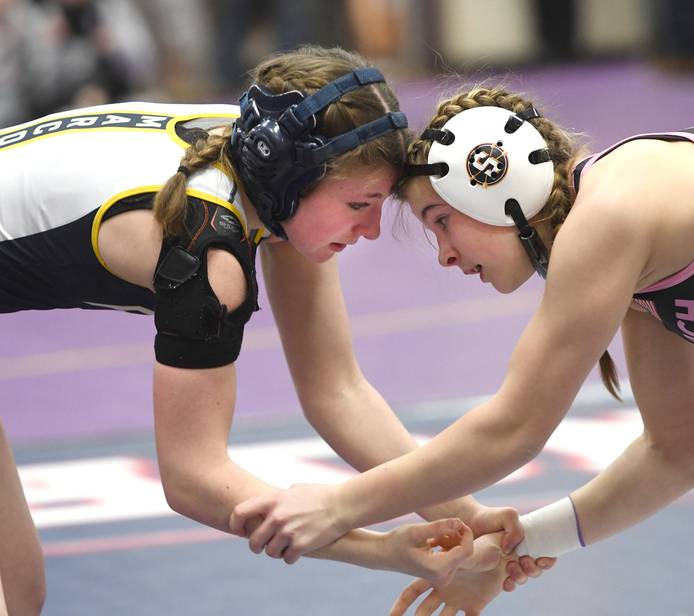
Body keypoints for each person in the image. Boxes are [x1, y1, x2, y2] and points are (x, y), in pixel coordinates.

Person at [0, 49, 545, 615]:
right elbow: (192, 478)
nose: (373, 229)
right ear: (290, 183)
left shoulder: (261, 158)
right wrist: (383, 550)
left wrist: (469, 516)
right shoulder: (205, 248)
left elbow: (338, 394)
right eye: (359, 204)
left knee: (19, 592)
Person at [231, 85, 694, 612]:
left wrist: (339, 506)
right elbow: (678, 455)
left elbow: (514, 428)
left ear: (496, 185)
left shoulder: (614, 212)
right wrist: (511, 548)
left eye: (441, 222)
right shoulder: (638, 272)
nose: (445, 256)